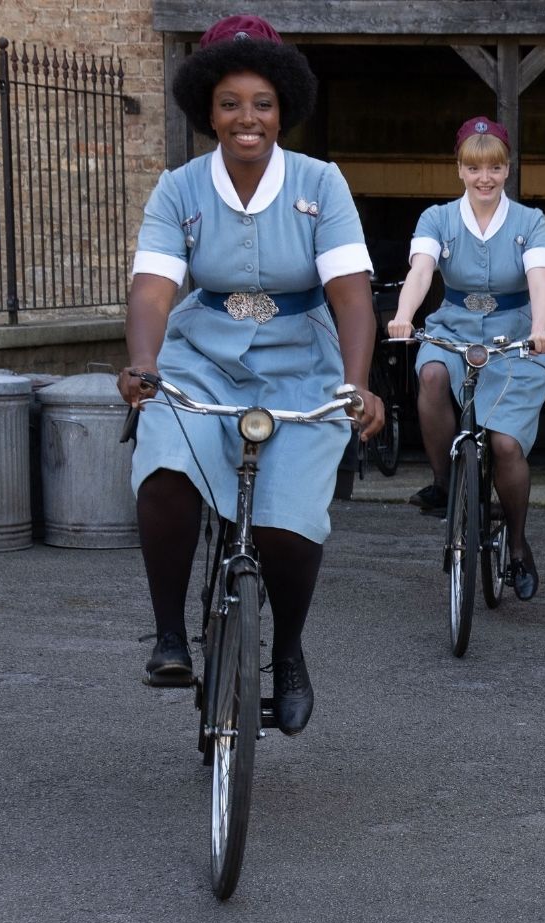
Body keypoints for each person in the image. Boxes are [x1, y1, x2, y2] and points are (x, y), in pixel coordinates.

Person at [116, 15, 384, 736]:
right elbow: (153, 289)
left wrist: (358, 383)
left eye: (262, 102)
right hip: (199, 358)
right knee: (166, 472)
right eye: (230, 101)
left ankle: (288, 650)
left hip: (302, 364)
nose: (246, 117)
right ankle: (171, 638)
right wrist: (144, 363)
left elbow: (351, 293)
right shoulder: (178, 189)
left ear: (282, 110)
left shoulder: (321, 184)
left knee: (287, 527)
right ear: (208, 108)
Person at [387, 118, 545, 601]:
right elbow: (421, 271)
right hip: (453, 328)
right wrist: (403, 315)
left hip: (515, 338)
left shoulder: (530, 222)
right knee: (434, 373)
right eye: (474, 167)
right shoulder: (437, 219)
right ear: (459, 169)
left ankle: (518, 545)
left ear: (507, 170)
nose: (485, 177)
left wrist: (541, 329)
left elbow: (540, 281)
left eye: (495, 167)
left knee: (505, 446)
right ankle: (444, 482)